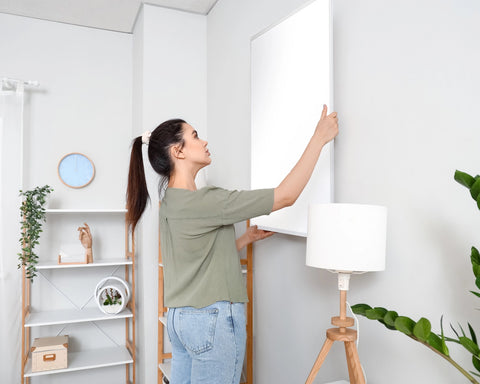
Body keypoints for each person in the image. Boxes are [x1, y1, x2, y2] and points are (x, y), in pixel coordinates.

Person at [126, 105, 338, 384]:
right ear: (178, 151)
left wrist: (242, 240)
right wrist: (318, 139)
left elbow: (194, 256)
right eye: (195, 135)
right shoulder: (207, 201)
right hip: (210, 320)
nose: (204, 141)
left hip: (180, 321)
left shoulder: (171, 203)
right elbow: (286, 196)